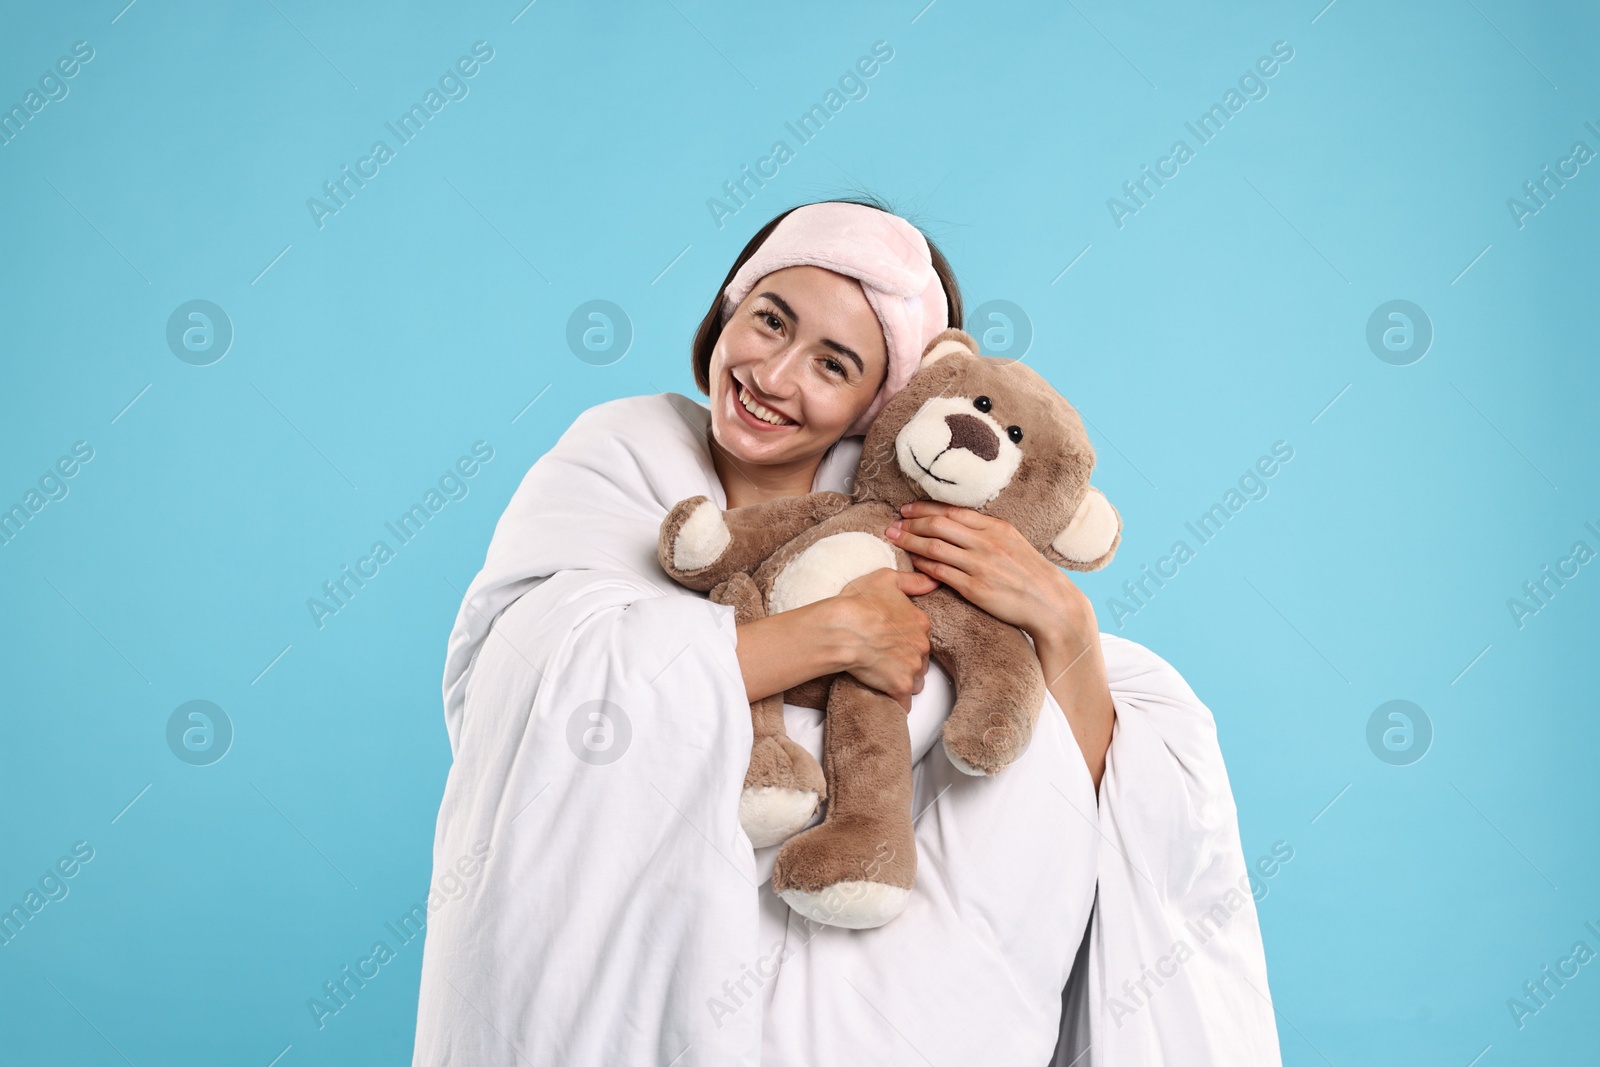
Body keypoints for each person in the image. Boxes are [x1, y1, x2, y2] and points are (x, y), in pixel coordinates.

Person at [412, 197, 1282, 1066]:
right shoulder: (619, 455)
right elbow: (540, 685)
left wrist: (1064, 621)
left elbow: (1086, 802)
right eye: (769, 321)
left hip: (884, 1008)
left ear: (883, 403)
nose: (774, 376)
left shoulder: (918, 529)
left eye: (833, 363)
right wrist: (836, 634)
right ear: (726, 307)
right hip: (646, 978)